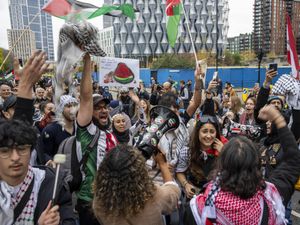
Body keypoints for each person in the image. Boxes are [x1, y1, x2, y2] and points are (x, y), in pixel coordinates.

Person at [184, 105, 300, 225]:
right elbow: (293, 160)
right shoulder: (271, 198)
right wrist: (278, 119)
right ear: (257, 165)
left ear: (221, 164)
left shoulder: (199, 210)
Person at [0, 50, 76, 225]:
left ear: (30, 149)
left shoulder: (51, 184)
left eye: (22, 149)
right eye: (4, 151)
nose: (15, 157)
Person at [75, 54, 117, 225]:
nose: (104, 111)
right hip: (89, 201)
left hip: (111, 200)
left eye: (105, 107)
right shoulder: (87, 131)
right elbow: (85, 98)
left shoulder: (110, 135)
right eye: (97, 108)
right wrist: (87, 64)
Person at [92, 145, 181, 225]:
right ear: (139, 172)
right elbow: (173, 193)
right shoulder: (151, 196)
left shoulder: (100, 202)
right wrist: (163, 164)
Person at [176, 115, 227, 199]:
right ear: (198, 132)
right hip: (194, 198)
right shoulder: (187, 151)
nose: (208, 136)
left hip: (217, 199)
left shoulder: (224, 149)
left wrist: (224, 153)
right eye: (204, 131)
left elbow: (232, 173)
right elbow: (179, 171)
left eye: (212, 132)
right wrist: (186, 185)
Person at [38, 95, 78, 160]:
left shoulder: (80, 128)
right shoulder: (51, 130)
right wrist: (51, 161)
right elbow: (44, 154)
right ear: (61, 109)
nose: (73, 109)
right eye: (69, 106)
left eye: (75, 106)